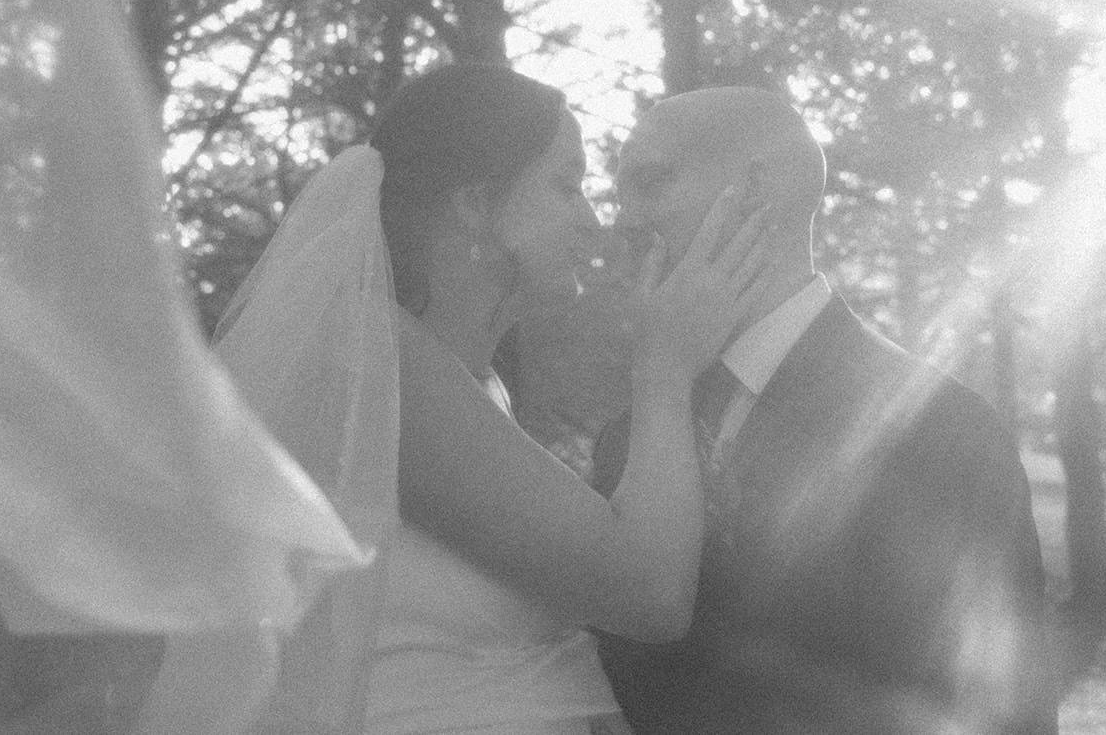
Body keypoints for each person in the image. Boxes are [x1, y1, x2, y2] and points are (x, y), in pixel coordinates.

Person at [136, 64, 777, 735]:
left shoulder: (472, 384)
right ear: (475, 203)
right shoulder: (370, 355)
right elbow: (649, 592)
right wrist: (667, 367)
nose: (596, 225)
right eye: (566, 185)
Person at [591, 86, 1057, 735]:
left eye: (649, 182)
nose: (623, 219)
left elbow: (1001, 709)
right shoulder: (630, 436)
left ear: (753, 187)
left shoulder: (940, 428)